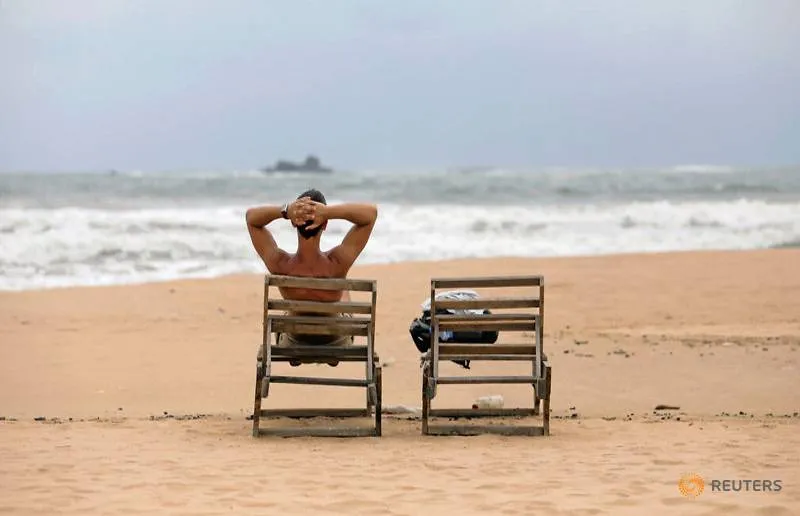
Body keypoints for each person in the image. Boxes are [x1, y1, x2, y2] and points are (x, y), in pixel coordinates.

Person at [245, 189, 378, 353]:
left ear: (294, 223)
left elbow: (251, 218)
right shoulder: (337, 262)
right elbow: (371, 214)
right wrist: (328, 212)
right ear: (325, 224)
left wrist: (286, 210)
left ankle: (297, 351)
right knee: (342, 289)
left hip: (294, 340)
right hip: (335, 340)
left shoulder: (280, 264)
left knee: (289, 313)